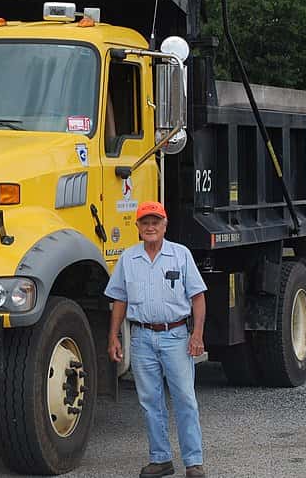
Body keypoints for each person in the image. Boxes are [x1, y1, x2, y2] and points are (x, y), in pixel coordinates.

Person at [105, 201, 207, 478]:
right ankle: (160, 459)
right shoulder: (128, 259)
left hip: (176, 336)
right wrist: (114, 336)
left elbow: (197, 297)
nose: (150, 227)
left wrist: (196, 335)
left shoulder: (181, 255)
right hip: (141, 338)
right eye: (145, 222)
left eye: (155, 222)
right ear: (137, 227)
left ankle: (193, 462)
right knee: (150, 401)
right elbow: (119, 300)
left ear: (165, 225)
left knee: (185, 398)